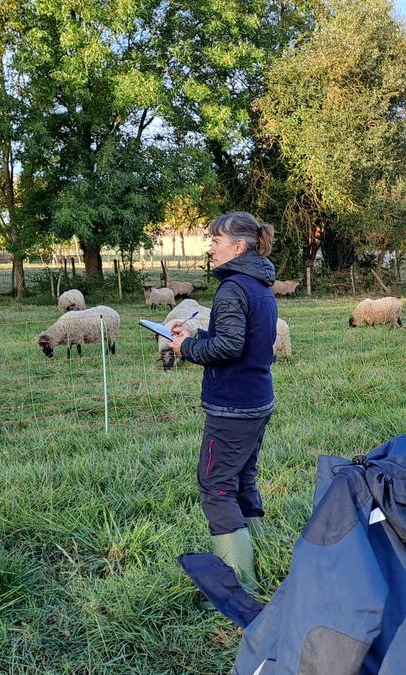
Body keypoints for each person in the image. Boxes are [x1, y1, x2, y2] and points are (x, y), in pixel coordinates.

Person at [168, 211, 277, 598]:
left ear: (239, 246)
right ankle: (260, 552)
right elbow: (242, 336)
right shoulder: (259, 283)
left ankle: (240, 588)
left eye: (216, 240)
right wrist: (197, 331)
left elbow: (230, 346)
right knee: (243, 478)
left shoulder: (232, 287)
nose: (210, 247)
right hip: (257, 397)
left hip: (232, 405)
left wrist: (185, 347)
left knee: (215, 486)